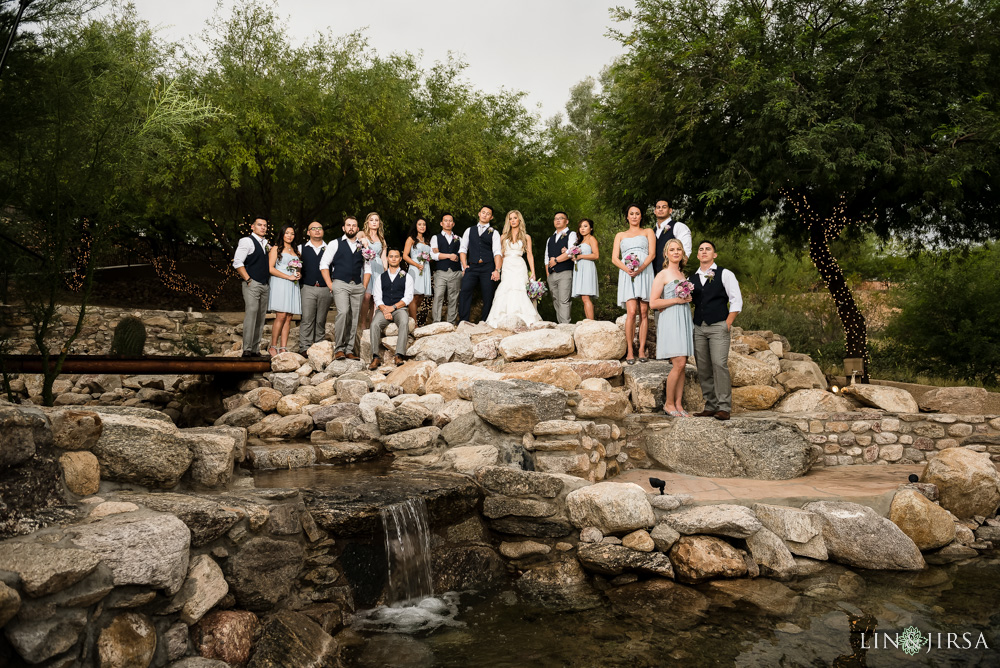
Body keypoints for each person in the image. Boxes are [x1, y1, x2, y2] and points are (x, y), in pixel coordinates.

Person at [690, 240, 743, 421]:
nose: (704, 252)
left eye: (708, 249)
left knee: (719, 364)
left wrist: (728, 322)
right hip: (699, 327)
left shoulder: (725, 274)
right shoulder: (692, 279)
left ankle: (724, 407)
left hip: (719, 325)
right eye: (701, 250)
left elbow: (736, 299)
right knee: (703, 367)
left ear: (714, 255)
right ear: (697, 255)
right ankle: (710, 405)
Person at [650, 239, 694, 416]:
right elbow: (653, 302)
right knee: (679, 363)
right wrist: (677, 300)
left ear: (682, 253)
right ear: (666, 254)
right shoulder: (663, 275)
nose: (676, 252)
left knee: (682, 365)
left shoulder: (683, 275)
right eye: (672, 250)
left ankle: (679, 404)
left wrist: (687, 300)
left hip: (683, 317)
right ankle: (668, 404)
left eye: (679, 250)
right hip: (670, 319)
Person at [319, 216, 371, 360]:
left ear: (358, 229)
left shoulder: (362, 246)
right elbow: (324, 265)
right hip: (340, 283)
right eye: (348, 225)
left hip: (357, 285)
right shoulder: (335, 243)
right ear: (343, 228)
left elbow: (367, 267)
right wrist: (330, 284)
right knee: (343, 312)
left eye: (354, 225)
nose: (351, 228)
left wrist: (364, 286)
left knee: (354, 317)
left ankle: (349, 350)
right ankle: (339, 349)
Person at [613, 204, 656, 364]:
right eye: (631, 213)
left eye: (637, 213)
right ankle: (630, 350)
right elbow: (614, 258)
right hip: (627, 273)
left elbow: (652, 254)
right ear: (627, 216)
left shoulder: (648, 232)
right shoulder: (620, 235)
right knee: (631, 312)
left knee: (644, 312)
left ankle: (642, 349)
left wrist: (640, 268)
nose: (634, 216)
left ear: (641, 216)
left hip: (644, 271)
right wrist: (627, 269)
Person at [485, 210, 541, 328]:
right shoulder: (503, 237)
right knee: (507, 288)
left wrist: (533, 272)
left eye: (515, 218)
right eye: (510, 218)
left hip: (520, 265)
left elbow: (530, 254)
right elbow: (500, 255)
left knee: (520, 289)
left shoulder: (526, 237)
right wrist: (498, 270)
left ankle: (524, 320)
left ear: (519, 220)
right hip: (507, 265)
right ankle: (503, 320)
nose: (513, 220)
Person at [369, 248, 415, 369]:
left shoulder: (407, 277)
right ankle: (375, 357)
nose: (393, 258)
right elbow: (377, 297)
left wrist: (393, 308)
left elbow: (408, 297)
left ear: (400, 259)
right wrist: (385, 310)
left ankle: (399, 355)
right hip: (383, 308)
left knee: (404, 322)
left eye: (396, 256)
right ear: (388, 259)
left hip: (400, 309)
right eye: (391, 256)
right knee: (374, 325)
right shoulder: (380, 277)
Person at [232, 217, 271, 357]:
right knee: (252, 313)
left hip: (265, 285)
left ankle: (255, 349)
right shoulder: (246, 241)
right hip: (252, 283)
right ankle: (247, 349)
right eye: (260, 225)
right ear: (252, 227)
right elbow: (237, 262)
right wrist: (248, 279)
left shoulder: (266, 244)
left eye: (265, 225)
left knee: (261, 317)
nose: (263, 227)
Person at [459, 206, 502, 323]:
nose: (485, 215)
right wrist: (464, 266)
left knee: (488, 294)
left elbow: (497, 252)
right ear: (479, 214)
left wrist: (497, 269)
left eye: (488, 214)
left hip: (487, 267)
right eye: (483, 212)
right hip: (472, 266)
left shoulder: (494, 233)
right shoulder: (469, 230)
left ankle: (486, 321)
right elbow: (463, 249)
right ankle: (463, 320)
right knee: (464, 291)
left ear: (491, 217)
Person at [266, 225, 303, 355]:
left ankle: (283, 347)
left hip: (292, 284)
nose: (290, 236)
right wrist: (287, 276)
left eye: (292, 233)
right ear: (282, 234)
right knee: (281, 316)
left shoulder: (296, 251)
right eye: (287, 233)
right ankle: (273, 346)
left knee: (288, 317)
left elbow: (298, 269)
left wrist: (298, 274)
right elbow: (270, 268)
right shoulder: (276, 248)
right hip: (280, 282)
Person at [297, 221, 332, 354]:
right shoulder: (301, 248)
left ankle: (319, 348)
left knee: (321, 320)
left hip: (325, 288)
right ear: (308, 232)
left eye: (320, 228)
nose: (317, 231)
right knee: (307, 318)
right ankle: (304, 348)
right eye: (313, 228)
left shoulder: (330, 248)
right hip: (308, 287)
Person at [544, 211, 577, 324]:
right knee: (556, 301)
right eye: (555, 218)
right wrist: (548, 274)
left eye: (561, 218)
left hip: (565, 272)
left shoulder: (571, 234)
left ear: (566, 221)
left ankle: (566, 327)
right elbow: (546, 257)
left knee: (564, 300)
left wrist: (556, 260)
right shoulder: (550, 239)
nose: (557, 220)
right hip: (551, 274)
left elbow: (571, 252)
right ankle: (560, 326)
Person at [430, 213, 462, 324]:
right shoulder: (436, 238)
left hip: (455, 272)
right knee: (438, 296)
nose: (448, 223)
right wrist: (449, 255)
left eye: (450, 221)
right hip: (441, 272)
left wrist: (463, 270)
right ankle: (436, 322)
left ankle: (451, 323)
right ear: (441, 223)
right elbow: (434, 255)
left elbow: (462, 255)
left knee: (453, 298)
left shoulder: (459, 239)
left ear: (453, 224)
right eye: (445, 220)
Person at [358, 212, 388, 331]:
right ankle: (363, 323)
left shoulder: (382, 239)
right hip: (367, 267)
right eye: (371, 220)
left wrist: (386, 272)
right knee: (366, 296)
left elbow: (384, 257)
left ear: (379, 223)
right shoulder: (362, 234)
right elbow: (357, 239)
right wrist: (363, 241)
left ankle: (373, 323)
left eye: (376, 220)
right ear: (367, 222)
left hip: (379, 268)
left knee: (376, 298)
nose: (374, 222)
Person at [402, 218, 433, 322]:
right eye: (419, 224)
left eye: (424, 224)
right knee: (414, 295)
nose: (422, 226)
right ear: (415, 226)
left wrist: (429, 259)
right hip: (415, 269)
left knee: (421, 296)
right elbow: (405, 256)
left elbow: (431, 255)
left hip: (425, 268)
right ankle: (414, 323)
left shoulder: (427, 240)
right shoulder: (411, 239)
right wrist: (416, 264)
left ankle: (410, 318)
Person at [652, 199, 692, 274]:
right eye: (658, 207)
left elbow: (686, 251)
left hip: (671, 273)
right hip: (653, 275)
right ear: (655, 211)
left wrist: (677, 271)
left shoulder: (678, 226)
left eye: (664, 207)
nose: (660, 209)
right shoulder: (652, 231)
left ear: (670, 210)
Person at [570, 218, 599, 320]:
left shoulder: (592, 239)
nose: (582, 229)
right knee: (584, 297)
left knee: (586, 297)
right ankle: (588, 320)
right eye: (581, 226)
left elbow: (596, 255)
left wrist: (581, 256)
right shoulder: (580, 241)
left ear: (591, 228)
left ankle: (591, 322)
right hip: (580, 268)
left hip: (587, 268)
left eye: (585, 226)